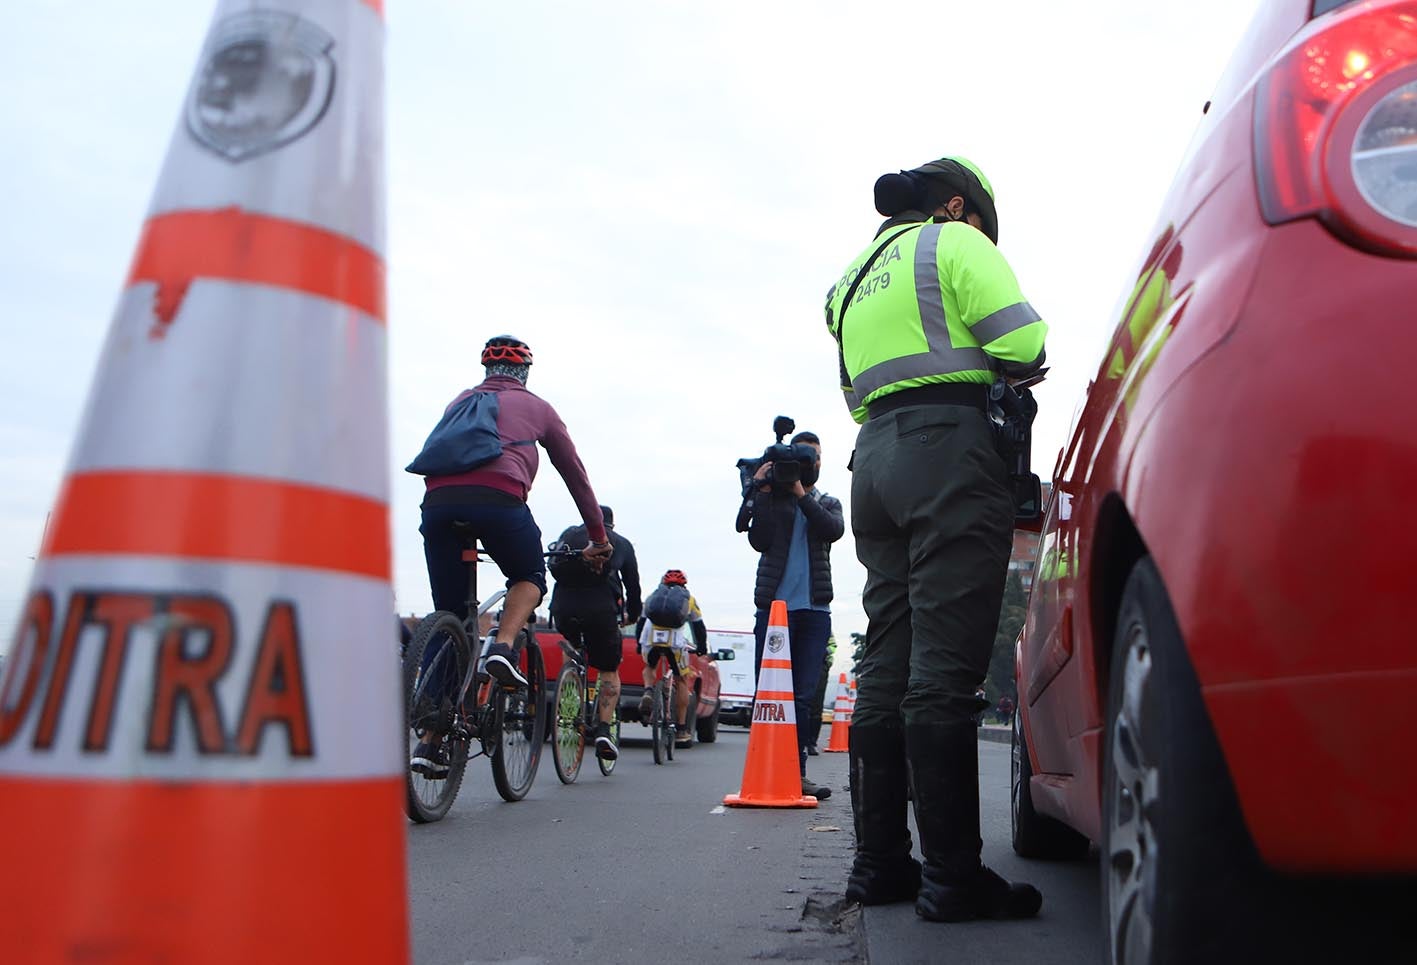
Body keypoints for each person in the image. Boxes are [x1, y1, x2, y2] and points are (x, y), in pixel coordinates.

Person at [825, 157, 1047, 921]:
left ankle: (879, 863)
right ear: (958, 206)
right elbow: (1023, 344)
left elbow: (853, 391)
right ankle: (952, 876)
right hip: (947, 452)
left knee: (885, 658)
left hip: (872, 462)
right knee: (944, 667)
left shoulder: (849, 279)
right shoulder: (952, 242)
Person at [412, 335, 612, 776]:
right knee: (528, 576)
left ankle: (428, 740)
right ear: (524, 373)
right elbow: (575, 475)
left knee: (450, 617)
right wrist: (597, 536)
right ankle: (502, 646)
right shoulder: (539, 408)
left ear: (487, 370)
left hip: (439, 505)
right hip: (499, 501)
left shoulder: (460, 401)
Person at [734, 430, 844, 800]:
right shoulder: (773, 499)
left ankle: (797, 774)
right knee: (768, 696)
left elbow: (832, 531)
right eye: (804, 455)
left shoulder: (827, 502)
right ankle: (763, 771)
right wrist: (762, 490)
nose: (811, 462)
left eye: (815, 456)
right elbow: (757, 539)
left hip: (815, 611)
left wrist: (800, 493)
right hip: (774, 611)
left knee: (802, 697)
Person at [548, 504, 643, 760]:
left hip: (563, 608)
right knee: (609, 669)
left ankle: (569, 692)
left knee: (572, 645)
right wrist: (633, 615)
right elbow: (633, 587)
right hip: (600, 612)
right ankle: (602, 730)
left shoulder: (569, 534)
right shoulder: (620, 543)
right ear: (611, 523)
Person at [635, 569, 708, 749]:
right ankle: (681, 730)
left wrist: (638, 643)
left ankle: (648, 691)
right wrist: (701, 648)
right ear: (684, 585)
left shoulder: (653, 596)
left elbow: (641, 622)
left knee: (649, 667)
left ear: (663, 583)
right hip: (674, 642)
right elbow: (699, 626)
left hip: (651, 638)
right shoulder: (689, 600)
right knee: (681, 679)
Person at [804, 635, 839, 755]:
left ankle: (811, 742)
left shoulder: (825, 628)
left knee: (816, 706)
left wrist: (821, 652)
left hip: (820, 665)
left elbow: (833, 646)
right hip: (802, 664)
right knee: (800, 703)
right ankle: (798, 740)